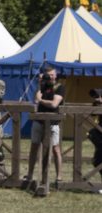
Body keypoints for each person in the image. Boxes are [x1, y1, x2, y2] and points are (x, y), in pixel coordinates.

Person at [24, 65, 64, 194]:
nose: (50, 77)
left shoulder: (60, 87)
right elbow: (36, 99)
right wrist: (40, 84)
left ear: (56, 75)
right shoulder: (41, 86)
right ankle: (29, 175)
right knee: (34, 147)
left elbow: (54, 104)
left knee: (55, 148)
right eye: (48, 75)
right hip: (39, 121)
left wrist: (41, 100)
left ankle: (59, 177)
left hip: (52, 123)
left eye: (52, 75)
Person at [89, 88, 102, 172]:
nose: (96, 97)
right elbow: (93, 113)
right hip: (99, 132)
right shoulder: (98, 104)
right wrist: (97, 103)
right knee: (97, 161)